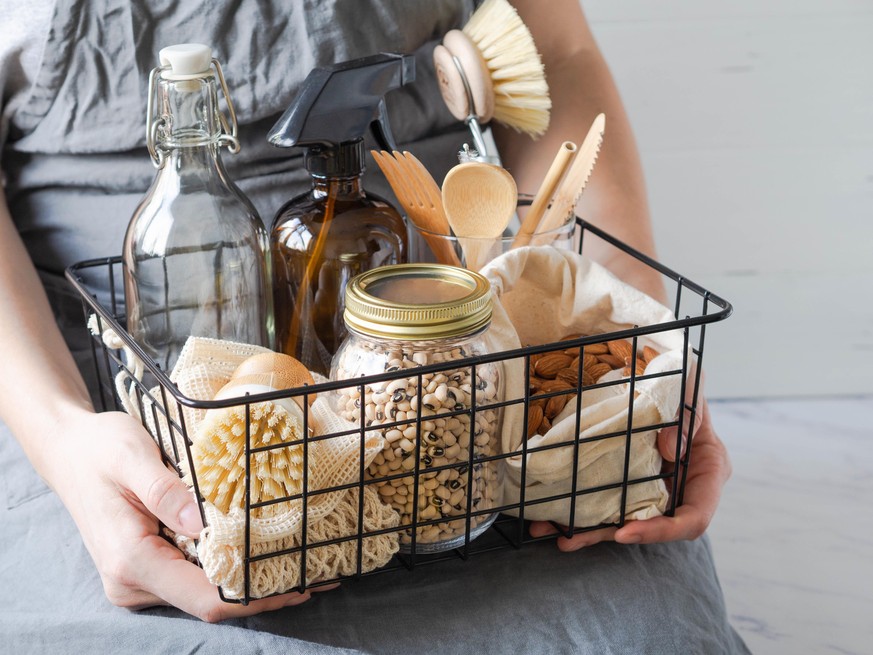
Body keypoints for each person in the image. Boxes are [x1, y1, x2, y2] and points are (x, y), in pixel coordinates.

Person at [0, 0, 744, 651]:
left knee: (637, 636)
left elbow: (557, 53)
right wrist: (64, 437)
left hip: (458, 299)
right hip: (103, 369)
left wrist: (643, 349)